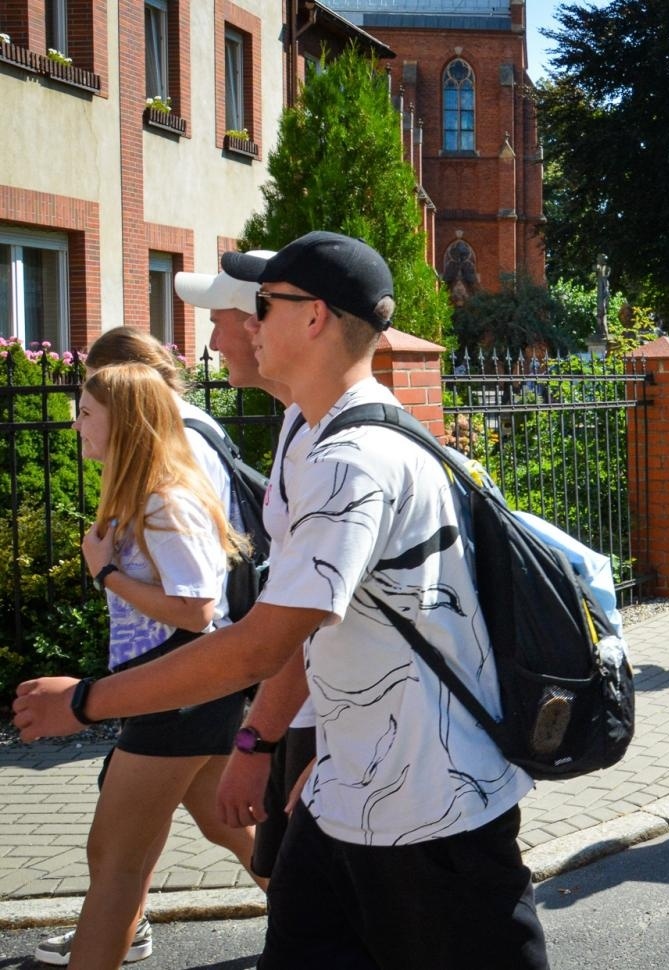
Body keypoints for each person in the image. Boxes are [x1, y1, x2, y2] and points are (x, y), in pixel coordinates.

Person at [15, 231, 550, 968]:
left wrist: (84, 702)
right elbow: (316, 632)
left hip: (433, 810)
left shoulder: (351, 461)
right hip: (344, 799)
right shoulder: (314, 430)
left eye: (262, 305)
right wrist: (272, 745)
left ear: (315, 318)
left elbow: (260, 641)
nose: (243, 322)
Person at [32, 363, 256, 969]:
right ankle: (342, 933)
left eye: (86, 413)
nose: (76, 425)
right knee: (230, 832)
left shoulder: (165, 500)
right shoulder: (145, 495)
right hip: (178, 696)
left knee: (114, 862)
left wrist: (106, 573)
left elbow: (197, 608)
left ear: (124, 421)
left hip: (176, 699)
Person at [174, 256, 317, 885]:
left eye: (220, 322)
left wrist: (87, 702)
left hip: (324, 731)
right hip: (306, 724)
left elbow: (303, 627)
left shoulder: (331, 443)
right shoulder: (296, 423)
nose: (213, 342)